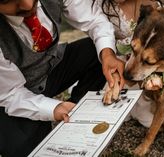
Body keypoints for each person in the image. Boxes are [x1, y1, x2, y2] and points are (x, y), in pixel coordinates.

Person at [0, 0, 125, 156]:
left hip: (53, 66)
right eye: (7, 0)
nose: (26, 4)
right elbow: (10, 93)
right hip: (18, 88)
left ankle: (80, 111)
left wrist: (107, 53)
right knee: (27, 149)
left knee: (97, 50)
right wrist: (53, 108)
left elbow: (94, 20)